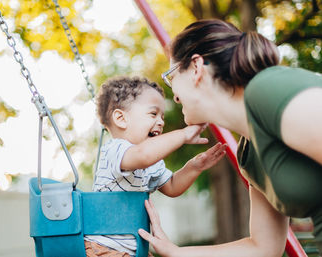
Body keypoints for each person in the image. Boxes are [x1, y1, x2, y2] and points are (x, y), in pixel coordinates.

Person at [137, 19, 322, 257]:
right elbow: (264, 247)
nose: (175, 97)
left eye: (171, 78)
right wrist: (176, 252)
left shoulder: (267, 89)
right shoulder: (249, 154)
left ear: (196, 67)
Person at [84, 76, 227, 257]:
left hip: (135, 251)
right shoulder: (115, 150)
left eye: (162, 116)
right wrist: (182, 135)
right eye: (153, 114)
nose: (161, 122)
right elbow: (143, 155)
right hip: (101, 248)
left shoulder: (151, 161)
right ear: (121, 118)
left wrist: (193, 167)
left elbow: (172, 186)